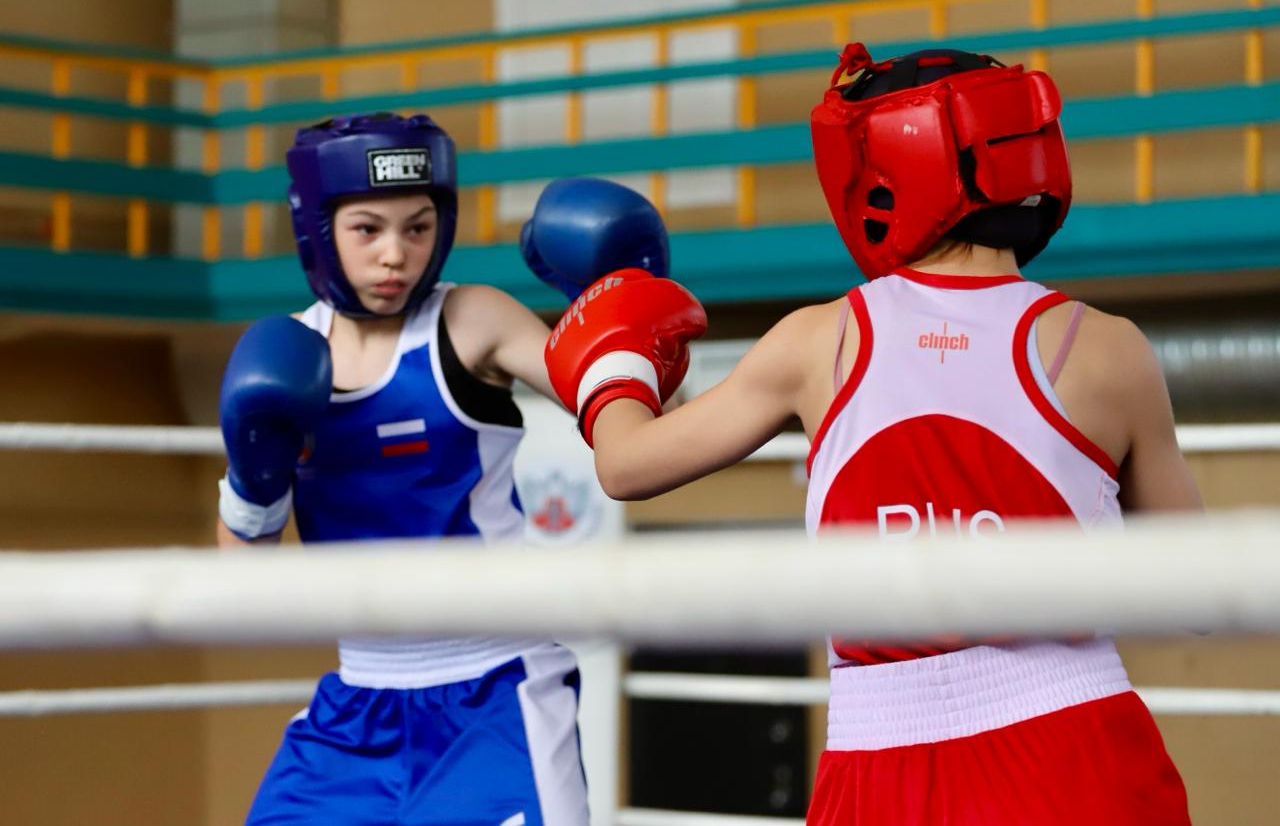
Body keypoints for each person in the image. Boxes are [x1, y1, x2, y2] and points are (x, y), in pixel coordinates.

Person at [538, 44, 1200, 824]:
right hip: (1075, 749)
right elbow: (1198, 586)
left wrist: (613, 345)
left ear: (896, 164)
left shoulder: (823, 340)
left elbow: (625, 463)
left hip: (881, 764)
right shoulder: (1109, 348)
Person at [216, 113, 668, 825]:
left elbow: (638, 422)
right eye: (368, 229)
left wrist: (630, 308)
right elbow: (239, 579)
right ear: (319, 230)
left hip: (496, 689)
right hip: (356, 705)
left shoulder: (471, 321)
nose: (395, 254)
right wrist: (253, 476)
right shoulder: (285, 358)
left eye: (418, 227)